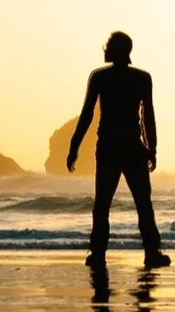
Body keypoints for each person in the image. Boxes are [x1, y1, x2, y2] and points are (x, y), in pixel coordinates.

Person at [65, 31, 169, 265]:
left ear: (115, 50)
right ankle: (151, 253)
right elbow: (147, 116)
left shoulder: (100, 77)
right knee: (143, 204)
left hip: (110, 146)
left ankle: (98, 254)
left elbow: (87, 114)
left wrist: (74, 146)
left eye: (108, 46)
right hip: (132, 146)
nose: (105, 49)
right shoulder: (142, 78)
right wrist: (152, 147)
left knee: (103, 203)